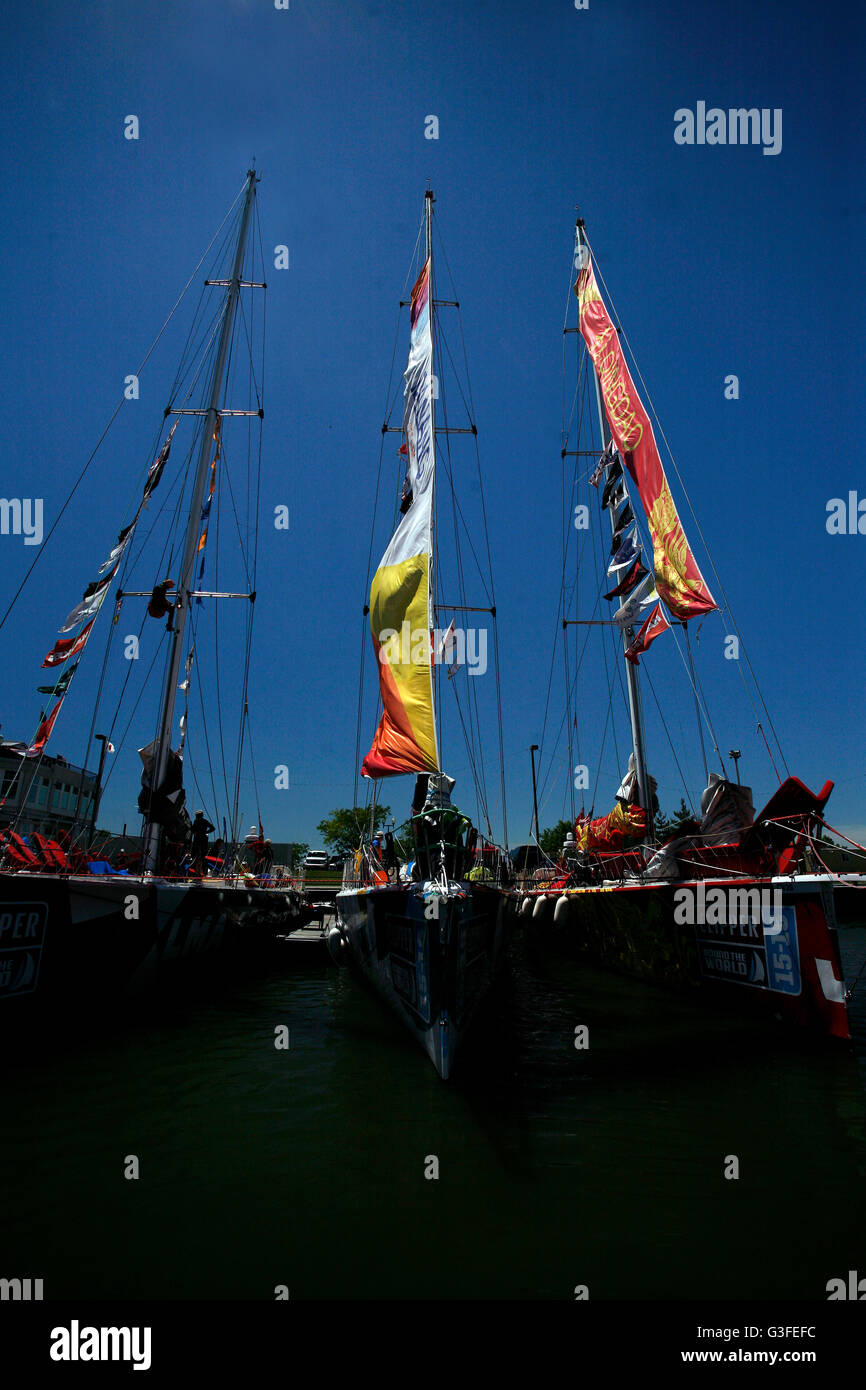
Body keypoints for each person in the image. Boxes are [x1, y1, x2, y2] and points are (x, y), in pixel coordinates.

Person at [191, 810, 214, 878]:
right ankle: (202, 872)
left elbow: (192, 829)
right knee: (202, 857)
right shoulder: (205, 821)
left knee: (195, 856)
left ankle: (197, 872)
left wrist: (195, 833)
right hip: (203, 840)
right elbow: (212, 828)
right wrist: (206, 832)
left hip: (197, 840)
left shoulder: (196, 821)